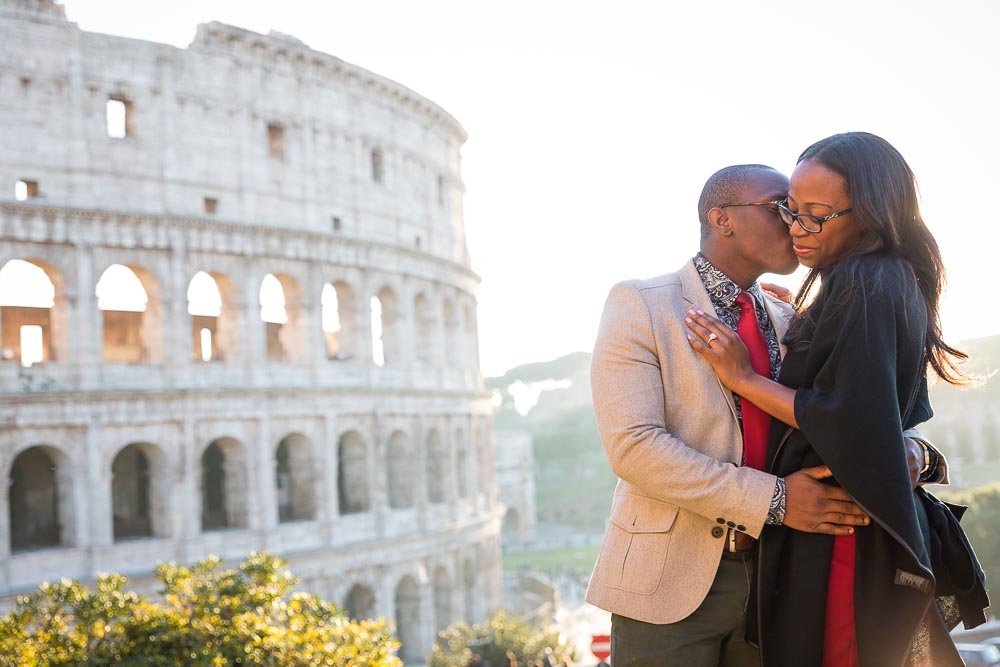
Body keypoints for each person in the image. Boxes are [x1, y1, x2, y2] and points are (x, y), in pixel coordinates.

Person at [585, 163, 947, 666]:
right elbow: (634, 448)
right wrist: (775, 501)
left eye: (800, 210)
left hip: (782, 585)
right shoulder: (640, 304)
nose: (795, 222)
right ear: (723, 219)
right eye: (780, 206)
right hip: (669, 582)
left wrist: (912, 448)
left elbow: (855, 410)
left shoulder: (792, 317)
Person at [685, 133, 987, 666]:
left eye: (816, 215)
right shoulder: (878, 278)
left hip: (843, 533)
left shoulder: (866, 280)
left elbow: (849, 420)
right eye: (790, 210)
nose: (795, 229)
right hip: (850, 525)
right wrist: (806, 320)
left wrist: (744, 378)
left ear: (869, 214)